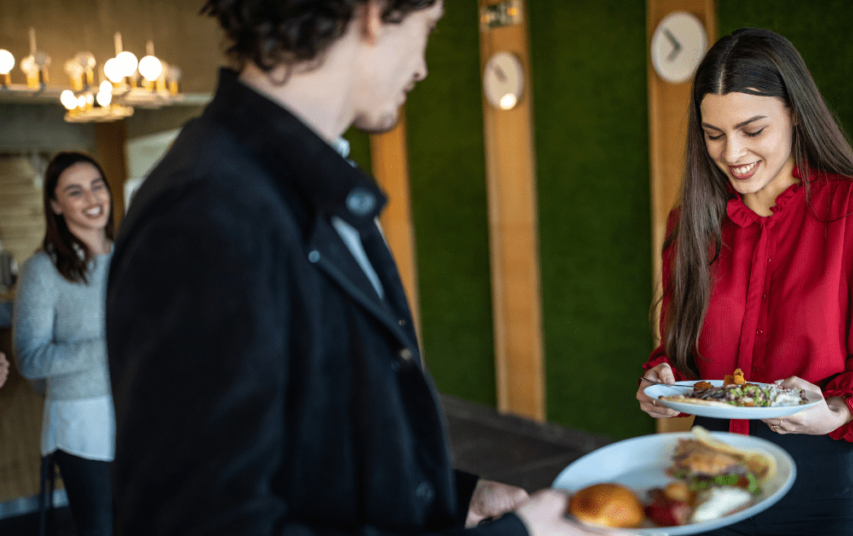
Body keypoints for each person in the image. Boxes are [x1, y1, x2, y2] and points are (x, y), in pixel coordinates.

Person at [105, 2, 607, 535]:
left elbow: (315, 443)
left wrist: (444, 497)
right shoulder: (205, 210)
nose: (422, 67)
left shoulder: (305, 177)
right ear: (373, 14)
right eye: (427, 28)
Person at [635, 28, 853, 535]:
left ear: (793, 112)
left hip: (821, 478)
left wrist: (835, 410)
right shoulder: (691, 223)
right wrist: (663, 375)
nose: (731, 153)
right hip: (708, 471)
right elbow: (680, 351)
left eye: (752, 130)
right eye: (714, 134)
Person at [14, 151, 116, 536]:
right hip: (81, 423)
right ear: (55, 205)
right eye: (76, 192)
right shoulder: (43, 270)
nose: (92, 200)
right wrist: (111, 345)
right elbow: (30, 359)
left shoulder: (132, 257)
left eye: (97, 186)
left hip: (139, 413)